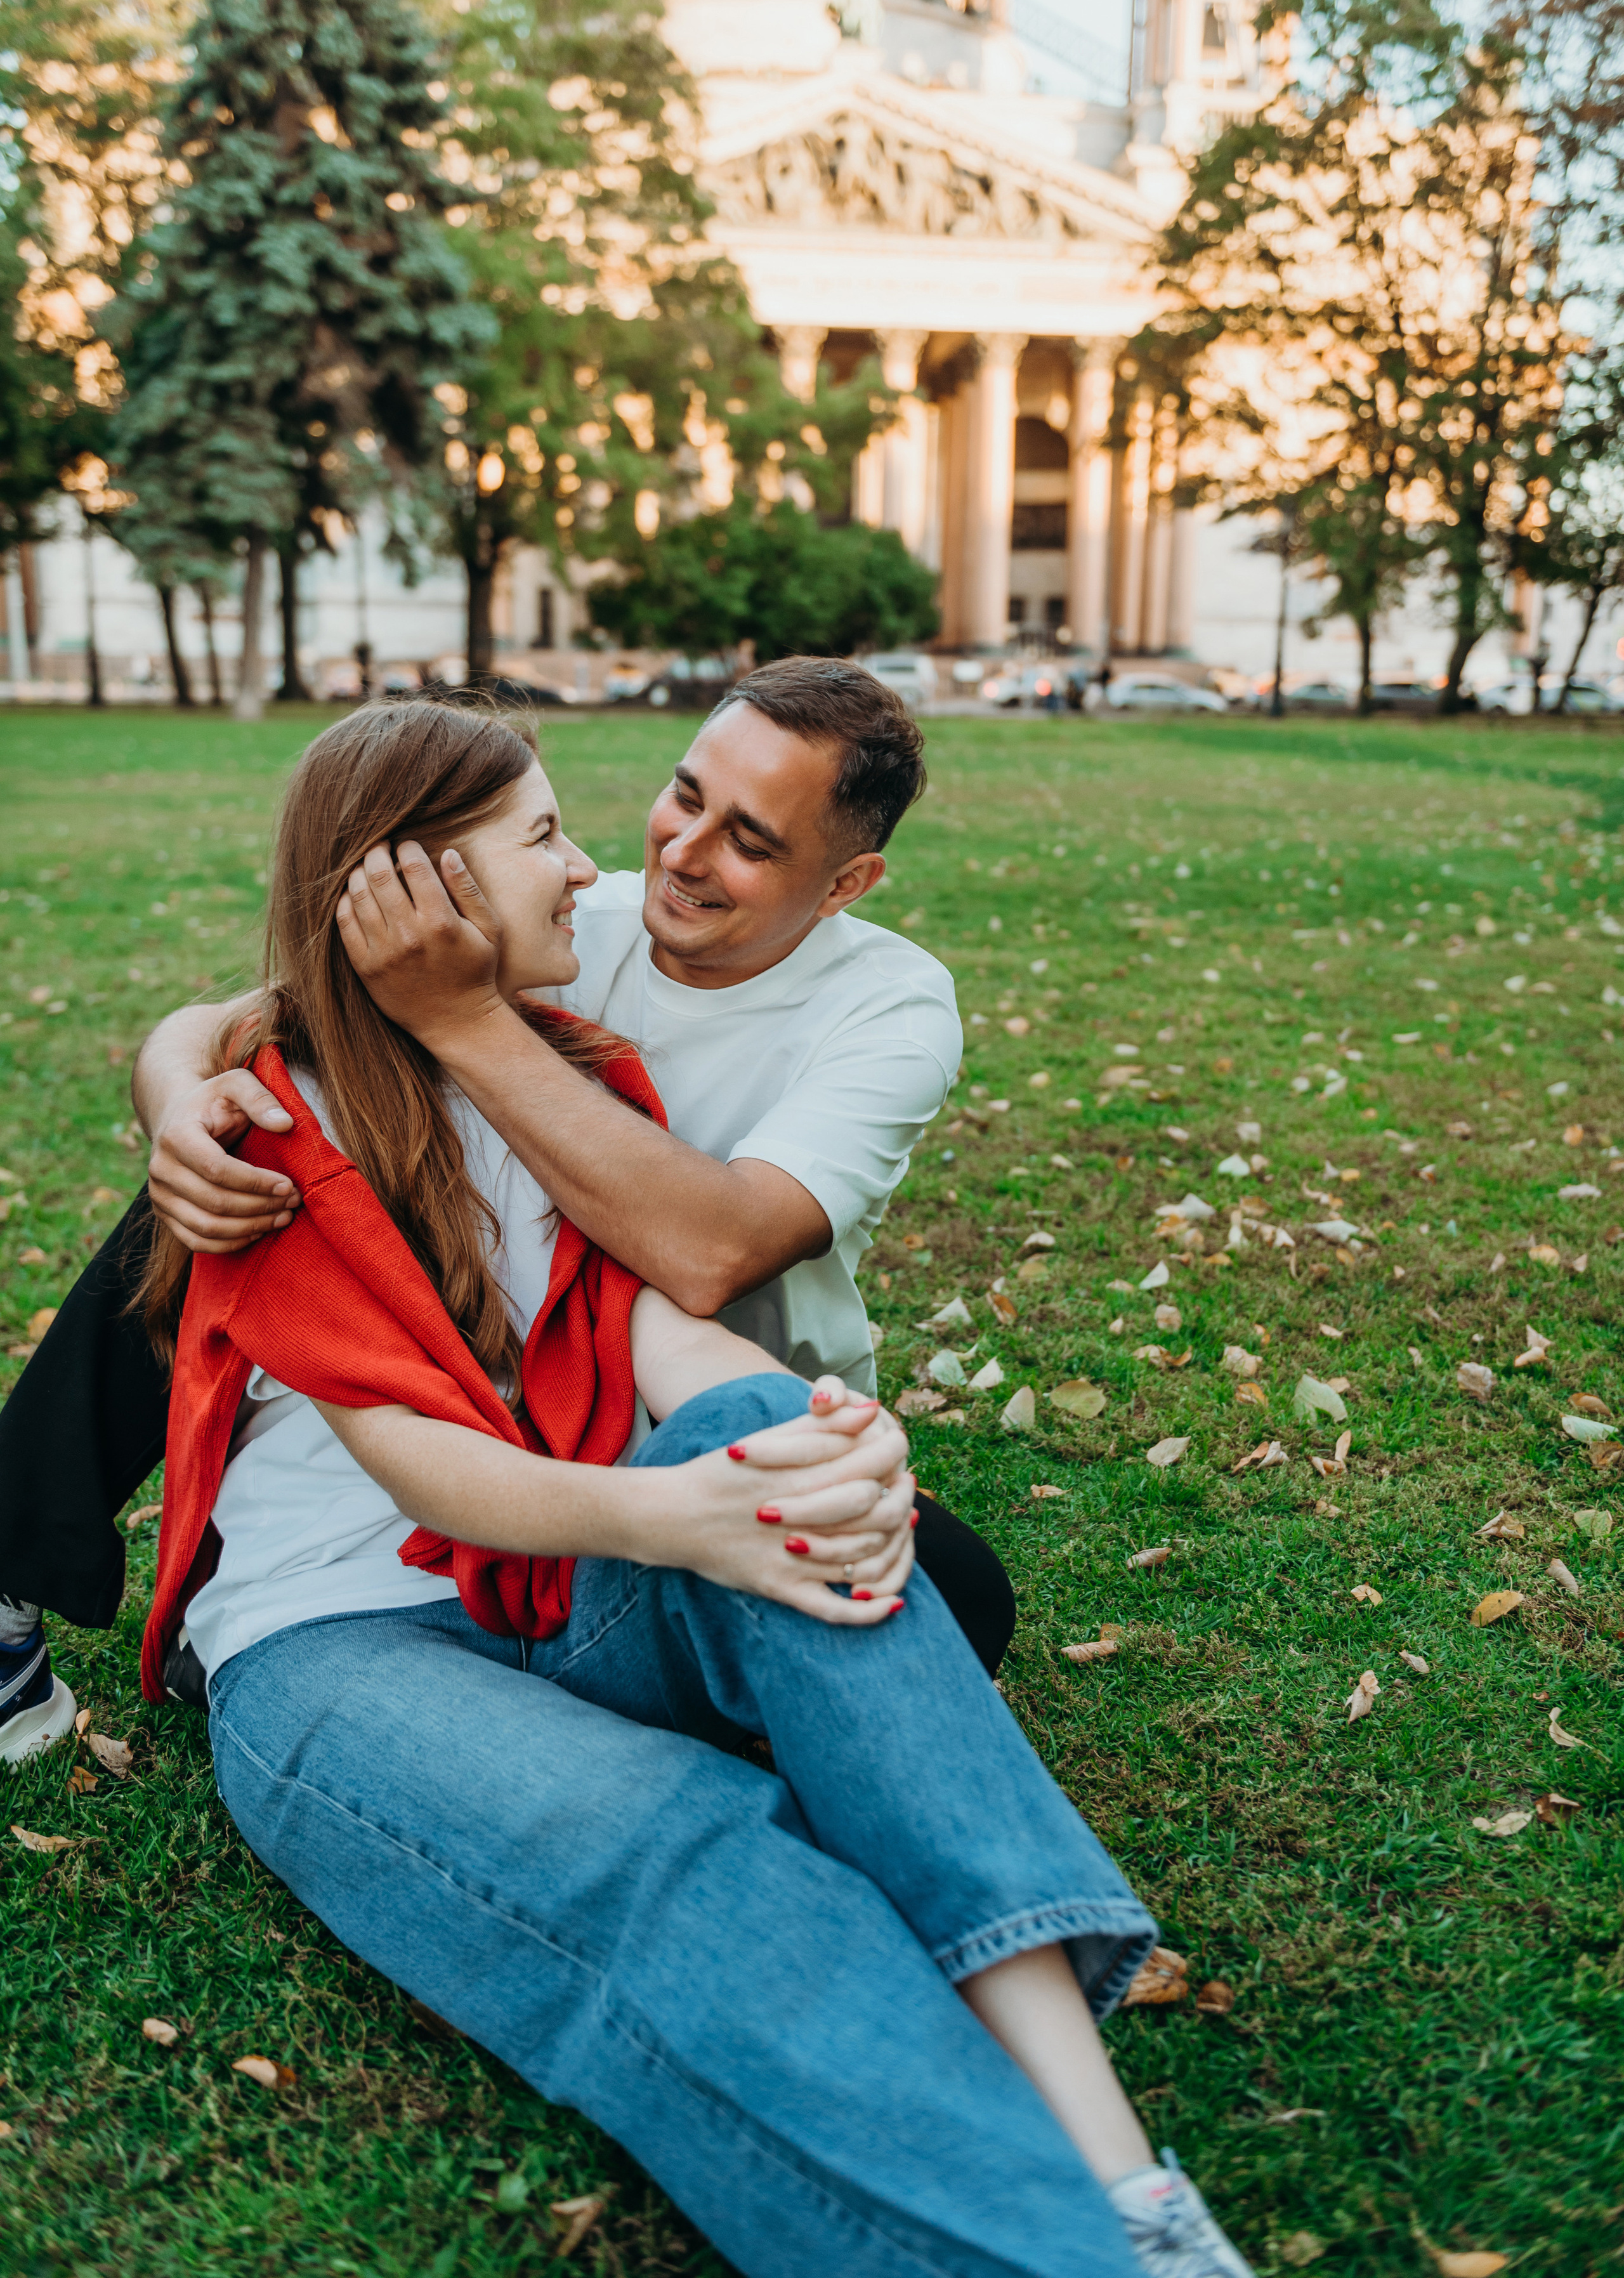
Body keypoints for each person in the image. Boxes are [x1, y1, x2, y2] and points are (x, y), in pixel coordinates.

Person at [133, 699, 1292, 2278]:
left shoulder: (590, 1069)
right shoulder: (272, 1122)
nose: (614, 862)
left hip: (554, 1575)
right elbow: (415, 1466)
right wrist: (688, 1522)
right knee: (709, 1872)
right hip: (339, 1645)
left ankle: (1127, 2179)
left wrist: (823, 1446)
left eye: (740, 839)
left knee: (775, 1434)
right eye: (549, 837)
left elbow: (660, 1322)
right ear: (419, 896)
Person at [0, 661, 1013, 1743]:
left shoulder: (891, 1010)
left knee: (960, 1590)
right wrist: (178, 1107)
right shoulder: (590, 913)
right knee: (230, 1171)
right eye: (685, 793)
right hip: (517, 1364)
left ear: (847, 882)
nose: (682, 850)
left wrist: (463, 1016)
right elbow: (272, 1013)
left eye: (750, 841)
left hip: (713, 1387)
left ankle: (606, 1663)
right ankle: (18, 1561)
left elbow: (716, 1250)